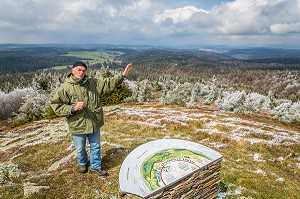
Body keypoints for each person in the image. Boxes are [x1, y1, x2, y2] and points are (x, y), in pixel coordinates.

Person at [50, 60, 132, 176]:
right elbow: (56, 105)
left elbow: (107, 84)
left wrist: (122, 75)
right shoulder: (66, 87)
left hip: (94, 122)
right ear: (72, 71)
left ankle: (96, 166)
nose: (81, 72)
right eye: (79, 69)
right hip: (77, 124)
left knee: (96, 146)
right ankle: (83, 163)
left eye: (83, 70)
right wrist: (72, 108)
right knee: (80, 148)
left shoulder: (92, 83)